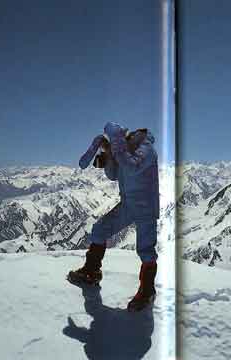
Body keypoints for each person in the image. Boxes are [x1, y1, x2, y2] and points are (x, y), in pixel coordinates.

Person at [68, 122, 159, 312]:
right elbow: (115, 175)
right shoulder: (128, 151)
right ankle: (91, 271)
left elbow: (133, 166)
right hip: (128, 204)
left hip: (145, 207)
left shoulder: (147, 149)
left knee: (146, 249)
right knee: (100, 230)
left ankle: (147, 291)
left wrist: (116, 144)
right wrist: (109, 158)